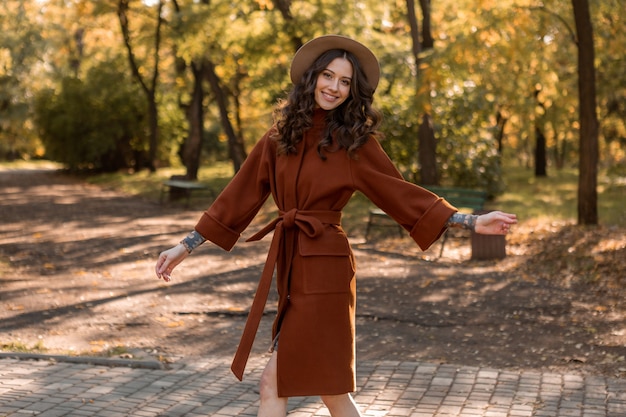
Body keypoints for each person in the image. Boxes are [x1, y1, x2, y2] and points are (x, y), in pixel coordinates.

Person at [155, 34, 518, 417]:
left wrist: (469, 220)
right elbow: (238, 195)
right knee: (330, 391)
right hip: (292, 266)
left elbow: (400, 193)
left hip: (326, 271)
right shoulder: (278, 138)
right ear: (311, 78)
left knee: (275, 383)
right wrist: (186, 245)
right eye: (328, 76)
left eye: (345, 82)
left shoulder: (352, 143)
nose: (335, 87)